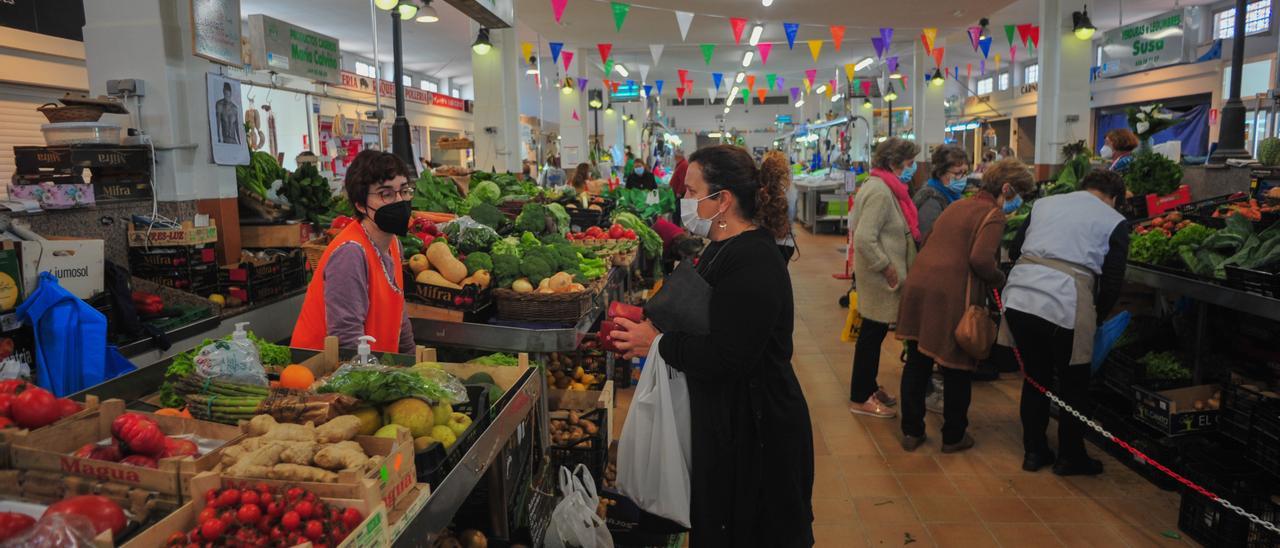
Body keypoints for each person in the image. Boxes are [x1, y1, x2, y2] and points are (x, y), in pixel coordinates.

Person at [611, 146, 814, 547]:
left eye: (691, 191)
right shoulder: (724, 248)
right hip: (732, 426)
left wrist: (659, 343)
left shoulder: (754, 260)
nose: (683, 201)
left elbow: (729, 357)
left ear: (722, 200)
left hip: (761, 438)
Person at [895, 159, 1036, 452]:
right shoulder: (993, 215)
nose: (1019, 202)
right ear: (1007, 189)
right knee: (957, 364)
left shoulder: (958, 205)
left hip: (920, 286)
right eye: (1020, 194)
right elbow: (981, 259)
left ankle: (912, 431)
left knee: (918, 359)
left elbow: (931, 239)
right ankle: (954, 435)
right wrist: (999, 279)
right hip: (951, 294)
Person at [1001, 169, 1129, 476]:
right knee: (1074, 385)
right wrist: (1096, 314)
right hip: (1065, 302)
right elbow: (1112, 282)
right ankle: (1071, 456)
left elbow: (1017, 249)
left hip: (1019, 297)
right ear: (1114, 198)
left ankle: (1034, 452)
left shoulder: (1046, 203)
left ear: (1084, 187)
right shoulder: (1115, 221)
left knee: (1035, 378)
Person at [293, 151, 414, 354]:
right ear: (360, 204)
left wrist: (414, 364)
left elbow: (398, 313)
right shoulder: (351, 253)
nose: (399, 200)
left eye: (404, 191)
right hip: (319, 373)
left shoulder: (393, 243)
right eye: (386, 194)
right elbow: (347, 338)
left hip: (371, 367)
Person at [848, 137, 920, 418]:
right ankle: (860, 397)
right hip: (880, 278)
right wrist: (887, 267)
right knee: (871, 336)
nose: (912, 168)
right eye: (909, 163)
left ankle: (868, 386)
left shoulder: (885, 187)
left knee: (873, 335)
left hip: (881, 277)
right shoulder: (880, 191)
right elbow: (865, 238)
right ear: (894, 163)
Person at [914, 145, 971, 238]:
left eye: (965, 173)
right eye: (958, 173)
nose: (963, 178)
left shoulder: (954, 196)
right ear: (940, 173)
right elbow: (928, 240)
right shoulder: (930, 202)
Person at [669, 150, 690, 227]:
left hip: (680, 193)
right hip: (678, 192)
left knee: (677, 212)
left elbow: (683, 180)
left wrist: (679, 192)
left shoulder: (683, 165)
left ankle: (677, 227)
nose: (674, 158)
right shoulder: (681, 164)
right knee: (677, 211)